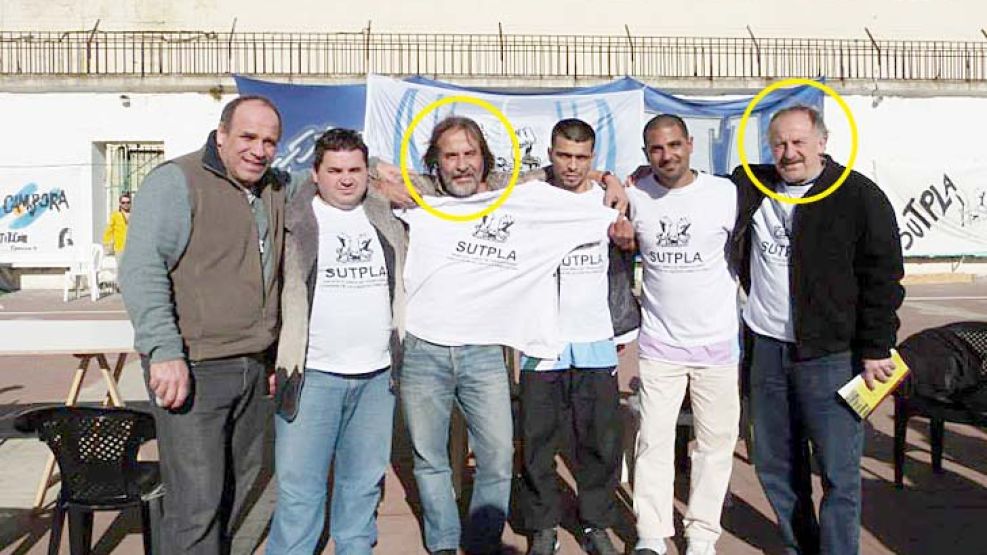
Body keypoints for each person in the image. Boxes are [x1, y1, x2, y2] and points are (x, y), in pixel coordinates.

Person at [394, 116, 620, 555]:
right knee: (430, 459)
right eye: (450, 155)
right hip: (424, 350)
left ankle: (481, 543)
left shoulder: (510, 195)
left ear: (485, 160)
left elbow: (561, 176)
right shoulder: (416, 202)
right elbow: (350, 171)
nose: (461, 165)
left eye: (469, 154)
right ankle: (442, 542)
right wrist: (378, 176)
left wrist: (611, 181)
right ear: (435, 164)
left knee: (498, 456)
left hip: (484, 352)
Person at [729, 105, 904, 555]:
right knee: (774, 466)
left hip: (831, 355)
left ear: (822, 142)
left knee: (839, 473)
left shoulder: (859, 197)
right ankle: (799, 546)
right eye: (780, 144)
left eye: (799, 142)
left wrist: (876, 346)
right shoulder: (749, 185)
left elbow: (884, 276)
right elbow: (682, 185)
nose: (789, 153)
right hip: (766, 351)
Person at [120, 95, 287, 554]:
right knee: (195, 505)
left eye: (269, 141)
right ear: (222, 136)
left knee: (236, 497)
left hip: (253, 369)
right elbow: (142, 267)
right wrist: (164, 351)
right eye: (248, 137)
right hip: (195, 369)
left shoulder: (274, 188)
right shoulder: (178, 181)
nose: (258, 149)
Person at [265, 129, 407, 555]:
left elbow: (462, 180)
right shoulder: (293, 220)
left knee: (362, 485)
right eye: (335, 170)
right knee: (299, 490)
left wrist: (606, 179)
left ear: (368, 173)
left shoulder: (386, 215)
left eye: (355, 169)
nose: (345, 179)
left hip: (377, 377)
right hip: (314, 376)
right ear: (316, 174)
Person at [611, 114, 741, 555]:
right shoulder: (635, 193)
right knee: (653, 442)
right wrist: (612, 181)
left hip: (718, 346)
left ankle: (702, 535)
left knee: (714, 447)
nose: (666, 156)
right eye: (656, 149)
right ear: (646, 154)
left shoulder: (725, 193)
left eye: (673, 146)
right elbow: (589, 184)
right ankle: (651, 534)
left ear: (689, 144)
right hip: (660, 346)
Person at [517, 119, 638, 555]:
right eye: (564, 155)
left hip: (594, 339)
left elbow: (634, 243)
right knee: (537, 442)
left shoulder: (612, 201)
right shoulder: (529, 196)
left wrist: (621, 216)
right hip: (541, 341)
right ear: (550, 153)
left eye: (581, 157)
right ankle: (543, 525)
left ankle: (595, 524)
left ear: (593, 157)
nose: (572, 166)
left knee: (599, 442)